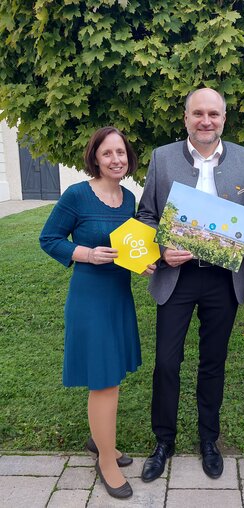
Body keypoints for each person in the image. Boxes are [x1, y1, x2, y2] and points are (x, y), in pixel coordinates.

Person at [136, 88, 244, 481]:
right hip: (178, 275)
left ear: (224, 118)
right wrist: (160, 247)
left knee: (213, 362)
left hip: (222, 278)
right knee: (166, 363)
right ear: (186, 117)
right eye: (198, 113)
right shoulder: (162, 157)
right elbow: (146, 215)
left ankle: (209, 439)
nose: (205, 120)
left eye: (213, 114)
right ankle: (163, 441)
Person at [39, 126, 155, 500]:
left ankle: (100, 441)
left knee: (113, 373)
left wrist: (144, 263)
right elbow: (49, 238)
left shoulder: (128, 199)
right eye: (108, 153)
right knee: (103, 379)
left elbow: (129, 247)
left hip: (118, 296)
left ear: (129, 158)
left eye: (121, 153)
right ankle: (106, 458)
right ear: (95, 157)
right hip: (89, 298)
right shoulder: (77, 195)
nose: (116, 159)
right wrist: (85, 254)